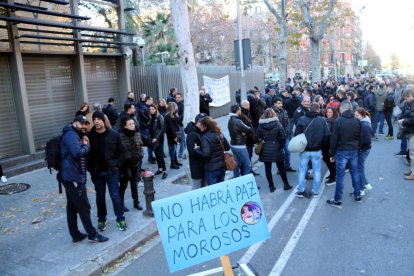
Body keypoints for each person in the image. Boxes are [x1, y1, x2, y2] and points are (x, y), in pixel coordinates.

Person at [60, 115, 108, 243]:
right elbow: (77, 153)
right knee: (83, 206)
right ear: (75, 123)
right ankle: (92, 234)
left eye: (86, 124)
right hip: (73, 176)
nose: (84, 126)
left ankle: (75, 235)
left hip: (70, 176)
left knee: (72, 206)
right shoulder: (70, 135)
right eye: (81, 124)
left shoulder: (73, 134)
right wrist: (86, 145)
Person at [87, 111, 127, 231]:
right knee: (100, 197)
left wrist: (116, 164)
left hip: (112, 172)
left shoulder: (114, 135)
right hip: (97, 173)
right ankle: (102, 219)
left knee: (115, 196)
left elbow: (123, 152)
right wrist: (90, 168)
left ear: (104, 120)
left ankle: (120, 219)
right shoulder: (89, 136)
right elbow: (86, 155)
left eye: (98, 119)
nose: (96, 121)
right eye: (94, 119)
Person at [327, 101, 362, 207]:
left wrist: (332, 154)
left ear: (341, 109)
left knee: (340, 176)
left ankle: (337, 199)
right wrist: (358, 148)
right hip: (354, 150)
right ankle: (358, 194)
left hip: (342, 151)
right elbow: (360, 136)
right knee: (355, 173)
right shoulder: (357, 120)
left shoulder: (338, 121)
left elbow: (334, 139)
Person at [294, 103, 330, 198]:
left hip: (304, 149)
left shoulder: (302, 119)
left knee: (302, 170)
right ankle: (316, 191)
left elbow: (296, 135)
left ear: (309, 109)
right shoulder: (322, 120)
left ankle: (300, 191)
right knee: (317, 170)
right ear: (318, 110)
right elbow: (327, 135)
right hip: (317, 150)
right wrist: (321, 145)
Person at [257, 108, 292, 192]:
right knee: (281, 167)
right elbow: (283, 136)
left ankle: (271, 186)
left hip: (265, 148)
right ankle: (286, 184)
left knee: (267, 168)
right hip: (276, 147)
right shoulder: (277, 124)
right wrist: (280, 145)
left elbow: (257, 136)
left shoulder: (260, 125)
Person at [194, 116, 230, 185]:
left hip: (211, 169)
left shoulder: (205, 137)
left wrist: (196, 150)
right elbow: (227, 148)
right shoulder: (219, 133)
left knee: (213, 190)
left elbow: (206, 154)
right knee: (221, 188)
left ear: (204, 126)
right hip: (222, 166)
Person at [119, 117, 144, 211]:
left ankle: (136, 202)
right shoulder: (120, 136)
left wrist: (141, 154)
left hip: (136, 162)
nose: (132, 125)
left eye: (133, 124)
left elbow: (140, 145)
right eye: (130, 124)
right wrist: (125, 159)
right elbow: (119, 151)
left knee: (134, 183)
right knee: (123, 184)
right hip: (125, 165)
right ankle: (120, 204)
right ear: (125, 126)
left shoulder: (137, 134)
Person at [228, 104, 253, 178]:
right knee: (248, 165)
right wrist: (244, 133)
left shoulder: (230, 119)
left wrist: (243, 132)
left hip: (233, 145)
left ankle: (237, 181)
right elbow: (249, 129)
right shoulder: (238, 121)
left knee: (236, 165)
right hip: (240, 146)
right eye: (240, 109)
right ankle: (246, 182)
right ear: (238, 110)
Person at [185, 113, 208, 189]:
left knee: (204, 186)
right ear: (199, 123)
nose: (206, 126)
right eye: (205, 123)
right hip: (197, 167)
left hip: (203, 165)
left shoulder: (201, 131)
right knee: (196, 188)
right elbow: (192, 152)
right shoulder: (192, 135)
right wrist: (201, 151)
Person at [273, 97, 296, 172]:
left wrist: (289, 132)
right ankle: (279, 168)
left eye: (281, 103)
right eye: (279, 103)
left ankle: (287, 166)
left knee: (287, 151)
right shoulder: (271, 112)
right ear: (275, 104)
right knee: (278, 153)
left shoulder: (284, 111)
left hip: (285, 135)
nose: (280, 105)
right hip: (276, 136)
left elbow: (287, 122)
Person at [355, 107, 373, 194]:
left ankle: (361, 189)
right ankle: (366, 184)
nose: (355, 117)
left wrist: (359, 147)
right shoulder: (364, 122)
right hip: (364, 149)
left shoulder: (364, 125)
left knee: (360, 169)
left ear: (362, 115)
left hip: (363, 150)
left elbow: (367, 140)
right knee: (360, 167)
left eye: (357, 115)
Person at [398, 86, 414, 180]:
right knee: (411, 153)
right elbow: (403, 113)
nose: (406, 100)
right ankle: (412, 170)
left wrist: (403, 121)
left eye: (406, 98)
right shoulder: (408, 103)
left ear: (411, 96)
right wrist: (401, 118)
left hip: (412, 130)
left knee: (413, 153)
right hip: (410, 130)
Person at [148, 104, 167, 179]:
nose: (151, 110)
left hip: (158, 139)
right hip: (152, 139)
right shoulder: (151, 117)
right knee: (156, 154)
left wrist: (156, 137)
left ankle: (165, 171)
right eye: (150, 109)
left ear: (156, 109)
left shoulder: (159, 117)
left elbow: (162, 128)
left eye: (152, 109)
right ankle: (160, 169)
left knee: (160, 155)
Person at [323, 107, 338, 185]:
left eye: (330, 112)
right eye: (327, 112)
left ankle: (333, 177)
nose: (328, 113)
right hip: (326, 144)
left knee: (330, 161)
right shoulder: (326, 120)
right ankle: (332, 174)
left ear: (334, 113)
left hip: (330, 145)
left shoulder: (333, 121)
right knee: (327, 160)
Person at [164, 102, 181, 169]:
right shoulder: (168, 115)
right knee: (172, 149)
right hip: (171, 135)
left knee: (175, 148)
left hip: (175, 133)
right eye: (175, 106)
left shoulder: (173, 114)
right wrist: (174, 136)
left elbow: (178, 122)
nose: (177, 107)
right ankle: (172, 163)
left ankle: (176, 161)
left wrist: (177, 115)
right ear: (173, 107)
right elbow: (170, 127)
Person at [175, 93, 186, 159]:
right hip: (175, 125)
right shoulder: (174, 105)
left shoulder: (182, 105)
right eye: (176, 97)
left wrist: (177, 117)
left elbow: (181, 116)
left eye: (179, 97)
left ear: (181, 98)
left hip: (180, 125)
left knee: (182, 140)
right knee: (177, 140)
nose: (177, 98)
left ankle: (180, 154)